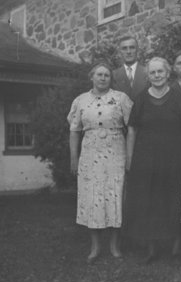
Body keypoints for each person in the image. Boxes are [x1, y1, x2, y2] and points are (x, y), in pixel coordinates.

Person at [123, 57, 181, 264]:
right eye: (153, 73)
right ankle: (152, 247)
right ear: (148, 76)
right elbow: (132, 129)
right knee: (149, 200)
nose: (157, 76)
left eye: (160, 71)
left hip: (174, 157)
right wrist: (130, 157)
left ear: (168, 73)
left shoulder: (179, 98)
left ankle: (176, 244)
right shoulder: (141, 98)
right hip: (147, 158)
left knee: (173, 198)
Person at [67, 62, 133, 264]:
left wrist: (130, 157)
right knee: (92, 196)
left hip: (116, 152)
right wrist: (74, 157)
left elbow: (131, 128)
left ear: (110, 78)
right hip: (90, 154)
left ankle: (114, 246)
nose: (103, 78)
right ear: (92, 77)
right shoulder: (80, 100)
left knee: (115, 196)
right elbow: (74, 131)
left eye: (106, 75)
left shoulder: (121, 98)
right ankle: (95, 247)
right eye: (99, 74)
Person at [112, 35, 148, 101]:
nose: (128, 52)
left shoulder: (148, 72)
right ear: (120, 51)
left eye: (132, 47)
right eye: (124, 48)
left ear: (137, 49)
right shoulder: (113, 76)